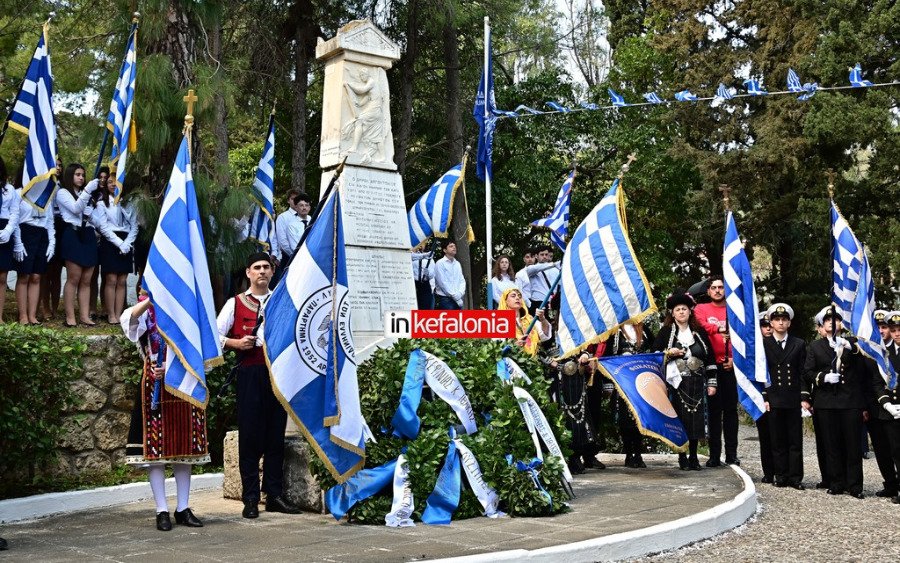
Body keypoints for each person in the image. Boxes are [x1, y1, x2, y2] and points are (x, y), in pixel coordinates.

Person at [217, 252, 300, 518]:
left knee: (276, 436)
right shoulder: (235, 303)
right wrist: (235, 343)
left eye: (266, 267)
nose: (262, 271)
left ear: (272, 272)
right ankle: (251, 497)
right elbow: (214, 335)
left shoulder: (282, 302)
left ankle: (274, 495)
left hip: (277, 375)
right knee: (250, 437)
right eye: (257, 267)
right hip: (250, 374)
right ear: (248, 273)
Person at [120, 293, 208, 531]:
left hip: (183, 382)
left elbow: (198, 348)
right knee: (155, 449)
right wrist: (151, 299)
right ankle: (161, 510)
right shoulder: (146, 312)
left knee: (183, 447)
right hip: (154, 383)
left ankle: (183, 507)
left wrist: (173, 371)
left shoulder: (185, 310)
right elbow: (127, 322)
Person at [803, 307, 869, 499]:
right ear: (822, 325)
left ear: (842, 324)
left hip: (850, 401)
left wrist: (851, 348)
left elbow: (863, 364)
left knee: (853, 445)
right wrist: (823, 377)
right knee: (831, 445)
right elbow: (807, 372)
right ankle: (836, 482)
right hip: (826, 402)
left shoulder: (851, 343)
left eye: (837, 319)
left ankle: (855, 485)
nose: (833, 323)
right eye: (828, 320)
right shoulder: (815, 346)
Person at [653, 290, 717, 471]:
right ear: (672, 313)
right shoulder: (666, 333)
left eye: (684, 309)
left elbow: (710, 359)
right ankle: (682, 456)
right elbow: (655, 355)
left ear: (690, 312)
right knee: (680, 420)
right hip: (676, 384)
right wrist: (669, 353)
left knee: (696, 420)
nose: (681, 312)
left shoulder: (700, 333)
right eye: (677, 309)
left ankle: (695, 457)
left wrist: (712, 383)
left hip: (697, 383)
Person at [694, 274, 740, 467]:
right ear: (708, 291)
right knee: (713, 413)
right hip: (711, 369)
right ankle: (714, 455)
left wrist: (735, 361)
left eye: (721, 287)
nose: (718, 290)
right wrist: (718, 330)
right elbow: (701, 326)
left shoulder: (734, 310)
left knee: (731, 412)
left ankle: (732, 454)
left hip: (731, 366)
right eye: (714, 288)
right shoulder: (701, 308)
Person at [762, 303, 806, 489]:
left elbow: (802, 372)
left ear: (789, 323)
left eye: (784, 320)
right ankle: (780, 475)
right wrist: (764, 397)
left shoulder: (799, 344)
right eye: (777, 320)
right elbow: (761, 373)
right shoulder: (764, 344)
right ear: (771, 323)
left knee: (795, 440)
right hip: (773, 398)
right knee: (777, 440)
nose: (780, 323)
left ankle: (795, 477)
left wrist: (804, 397)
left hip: (792, 397)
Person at [601, 323, 655, 468]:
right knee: (625, 419)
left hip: (641, 382)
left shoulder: (645, 331)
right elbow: (607, 359)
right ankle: (629, 454)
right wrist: (608, 383)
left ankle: (638, 453)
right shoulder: (615, 333)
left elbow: (655, 353)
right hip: (622, 382)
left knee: (639, 418)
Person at [56, 163, 100, 327]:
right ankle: (70, 316)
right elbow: (75, 209)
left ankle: (84, 315)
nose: (81, 177)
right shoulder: (62, 193)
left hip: (88, 234)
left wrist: (91, 215)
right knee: (73, 278)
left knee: (87, 280)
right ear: (70, 176)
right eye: (77, 174)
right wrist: (88, 191)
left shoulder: (85, 194)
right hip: (72, 234)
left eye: (83, 174)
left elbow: (94, 218)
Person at [12, 170, 55, 325]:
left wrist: (52, 241)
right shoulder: (19, 193)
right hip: (25, 232)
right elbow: (15, 218)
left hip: (42, 234)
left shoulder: (45, 194)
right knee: (24, 275)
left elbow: (49, 220)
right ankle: (23, 315)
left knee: (37, 276)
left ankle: (32, 315)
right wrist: (18, 242)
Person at [93, 172, 137, 324]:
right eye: (110, 182)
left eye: (116, 182)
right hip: (111, 241)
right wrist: (120, 243)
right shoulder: (101, 203)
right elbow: (103, 227)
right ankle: (111, 314)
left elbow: (134, 226)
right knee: (111, 279)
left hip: (126, 240)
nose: (113, 184)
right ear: (106, 185)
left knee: (122, 279)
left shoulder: (127, 203)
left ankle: (120, 315)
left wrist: (127, 243)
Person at [870, 310, 900, 501]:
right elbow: (877, 382)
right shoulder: (884, 355)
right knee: (896, 452)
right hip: (890, 411)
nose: (897, 333)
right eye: (894, 330)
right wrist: (887, 403)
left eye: (899, 330)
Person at [0, 157, 22, 323]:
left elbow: (15, 213)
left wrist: (8, 230)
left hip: (4, 230)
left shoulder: (9, 190)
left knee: (2, 277)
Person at [274, 190, 311, 264]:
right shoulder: (283, 217)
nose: (304, 207)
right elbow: (283, 241)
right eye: (293, 199)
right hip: (290, 256)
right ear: (288, 200)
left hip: (309, 257)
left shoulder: (310, 219)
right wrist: (294, 256)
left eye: (306, 205)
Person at [528, 244, 560, 315]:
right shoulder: (532, 268)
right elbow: (538, 268)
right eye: (542, 254)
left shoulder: (555, 269)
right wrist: (554, 264)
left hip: (552, 303)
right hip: (538, 301)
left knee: (552, 324)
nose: (544, 256)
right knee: (539, 325)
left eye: (546, 254)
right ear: (536, 256)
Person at [433, 240, 465, 310]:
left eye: (454, 246)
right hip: (446, 299)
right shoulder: (440, 263)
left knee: (459, 320)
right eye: (451, 246)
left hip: (459, 298)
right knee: (449, 320)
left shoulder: (457, 264)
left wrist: (460, 293)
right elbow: (442, 283)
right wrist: (454, 296)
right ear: (445, 250)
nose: (454, 248)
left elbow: (462, 280)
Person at [411, 243, 434, 310]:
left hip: (425, 284)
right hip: (414, 284)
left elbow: (432, 274)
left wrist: (428, 274)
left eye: (422, 244)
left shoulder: (429, 258)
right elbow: (410, 256)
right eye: (418, 243)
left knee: (425, 309)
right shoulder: (412, 255)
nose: (420, 245)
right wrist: (424, 255)